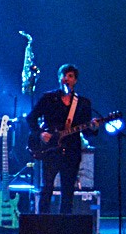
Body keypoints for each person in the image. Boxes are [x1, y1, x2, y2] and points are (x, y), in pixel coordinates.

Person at [28, 63, 97, 215]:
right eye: (64, 75)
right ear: (59, 78)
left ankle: (64, 226)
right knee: (47, 188)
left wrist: (93, 127)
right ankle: (43, 224)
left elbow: (87, 133)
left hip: (72, 151)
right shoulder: (48, 98)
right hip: (50, 151)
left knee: (68, 191)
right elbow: (31, 118)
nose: (66, 78)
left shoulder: (83, 103)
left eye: (70, 76)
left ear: (75, 80)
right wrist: (40, 133)